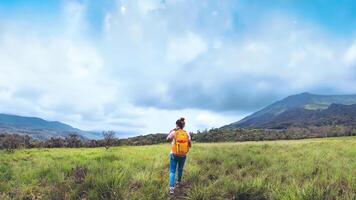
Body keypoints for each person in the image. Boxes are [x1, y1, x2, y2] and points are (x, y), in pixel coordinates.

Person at [166, 117, 192, 194]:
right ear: (183, 126)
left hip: (174, 154)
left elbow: (167, 139)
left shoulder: (174, 132)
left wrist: (170, 132)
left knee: (172, 171)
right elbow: (190, 145)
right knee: (180, 169)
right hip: (183, 155)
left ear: (177, 125)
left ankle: (171, 188)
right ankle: (178, 183)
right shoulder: (187, 133)